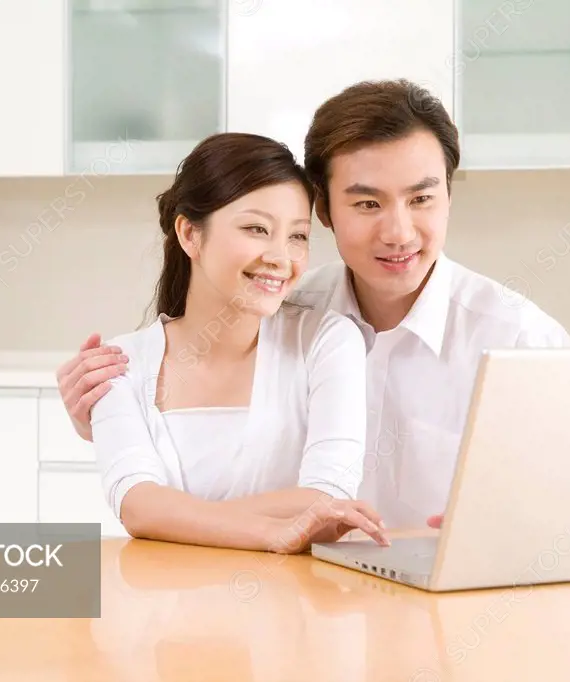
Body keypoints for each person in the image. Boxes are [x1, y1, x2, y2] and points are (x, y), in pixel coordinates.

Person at [57, 79, 570, 535]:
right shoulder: (282, 310)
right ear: (324, 209)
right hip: (299, 604)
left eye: (421, 199)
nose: (399, 232)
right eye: (368, 203)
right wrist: (108, 417)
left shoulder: (521, 342)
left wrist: (516, 526)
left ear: (448, 197)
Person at [86, 131, 390, 553]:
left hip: (290, 609)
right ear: (190, 235)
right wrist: (274, 531)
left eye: (297, 236)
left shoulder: (327, 342)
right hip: (163, 607)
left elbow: (327, 496)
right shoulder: (120, 363)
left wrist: (177, 517)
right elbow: (137, 506)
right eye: (256, 228)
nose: (281, 257)